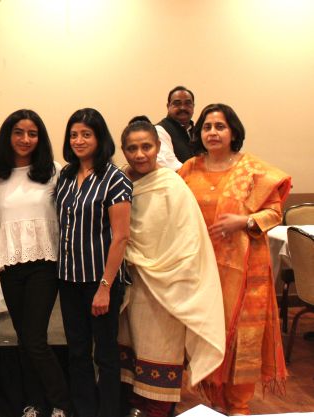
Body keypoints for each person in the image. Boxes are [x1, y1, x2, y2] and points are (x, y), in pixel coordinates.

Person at [179, 103, 291, 416]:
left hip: (245, 270)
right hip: (202, 268)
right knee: (209, 330)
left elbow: (274, 213)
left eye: (220, 126)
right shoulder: (189, 169)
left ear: (233, 132)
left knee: (242, 336)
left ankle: (239, 406)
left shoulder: (252, 170)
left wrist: (244, 221)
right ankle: (215, 400)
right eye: (206, 127)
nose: (212, 132)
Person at [117, 116, 225, 417]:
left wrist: (166, 272)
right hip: (131, 283)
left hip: (167, 287)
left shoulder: (172, 185)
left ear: (158, 147)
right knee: (129, 352)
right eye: (132, 148)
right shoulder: (120, 182)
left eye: (146, 147)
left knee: (160, 350)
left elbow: (189, 239)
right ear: (124, 150)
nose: (140, 154)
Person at [54, 108, 132, 417]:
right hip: (68, 279)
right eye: (74, 135)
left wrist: (105, 287)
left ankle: (108, 411)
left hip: (101, 282)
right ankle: (84, 410)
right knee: (77, 352)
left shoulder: (114, 178)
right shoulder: (66, 176)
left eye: (86, 134)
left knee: (106, 354)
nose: (79, 140)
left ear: (100, 138)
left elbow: (121, 236)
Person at [0, 109, 69, 417]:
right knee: (24, 339)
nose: (25, 139)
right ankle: (35, 403)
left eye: (32, 134)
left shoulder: (54, 171)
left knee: (35, 339)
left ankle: (62, 403)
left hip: (44, 264)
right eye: (19, 132)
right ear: (8, 136)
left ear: (40, 138)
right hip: (11, 264)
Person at [155, 86, 197, 170]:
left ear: (193, 106)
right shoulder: (159, 131)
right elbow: (169, 165)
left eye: (188, 103)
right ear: (168, 106)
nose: (183, 107)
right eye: (177, 103)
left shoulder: (198, 131)